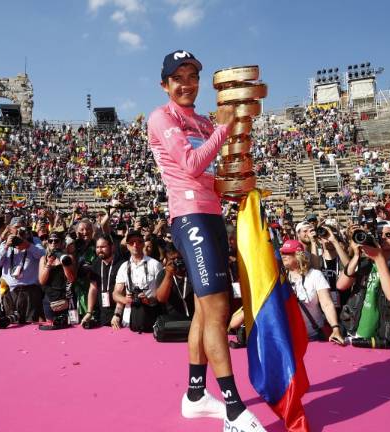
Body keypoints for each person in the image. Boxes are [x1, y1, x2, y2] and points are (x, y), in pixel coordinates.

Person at [147, 50, 263, 430]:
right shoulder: (161, 117)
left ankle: (196, 394)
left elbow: (213, 170)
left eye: (192, 76)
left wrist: (240, 181)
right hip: (189, 215)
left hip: (211, 213)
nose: (186, 83)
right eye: (177, 77)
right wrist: (224, 129)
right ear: (165, 84)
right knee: (217, 309)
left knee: (203, 309)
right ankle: (233, 409)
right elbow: (192, 165)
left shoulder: (200, 120)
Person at [337, 222, 390, 348]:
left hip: (385, 337)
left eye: (388, 235)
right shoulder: (364, 262)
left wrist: (379, 259)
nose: (383, 237)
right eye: (379, 235)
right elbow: (341, 285)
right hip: (355, 330)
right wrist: (356, 255)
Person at [280, 239, 344, 344]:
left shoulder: (315, 275)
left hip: (314, 337)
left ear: (298, 255)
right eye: (282, 253)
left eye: (287, 253)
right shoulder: (280, 278)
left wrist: (335, 328)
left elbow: (327, 304)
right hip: (288, 338)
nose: (283, 256)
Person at [0, 225, 47, 329]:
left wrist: (28, 246)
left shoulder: (34, 241)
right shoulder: (6, 243)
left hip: (29, 292)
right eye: (15, 230)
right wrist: (6, 246)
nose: (18, 234)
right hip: (10, 292)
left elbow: (43, 255)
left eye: (20, 231)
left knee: (29, 325)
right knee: (12, 324)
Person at [112, 229, 164, 332]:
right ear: (127, 246)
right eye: (131, 242)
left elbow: (162, 294)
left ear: (143, 244)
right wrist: (124, 302)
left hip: (150, 318)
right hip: (128, 320)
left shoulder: (155, 264)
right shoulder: (124, 266)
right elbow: (116, 293)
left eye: (139, 241)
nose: (135, 245)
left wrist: (148, 299)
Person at [83, 234, 126, 328]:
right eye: (97, 247)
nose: (99, 250)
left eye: (103, 247)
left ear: (112, 247)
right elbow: (93, 289)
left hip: (120, 314)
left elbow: (123, 291)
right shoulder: (96, 263)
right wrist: (89, 312)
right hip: (103, 314)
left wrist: (117, 314)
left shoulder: (122, 264)